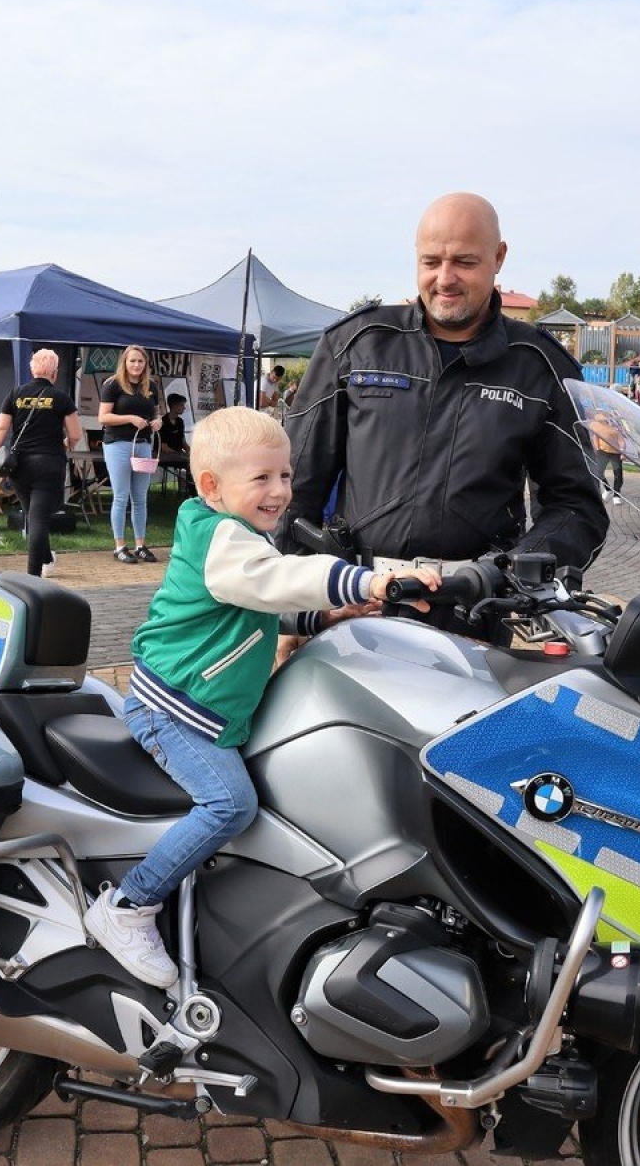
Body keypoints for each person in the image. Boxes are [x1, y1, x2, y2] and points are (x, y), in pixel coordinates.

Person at [83, 408, 440, 987]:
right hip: (174, 706)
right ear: (211, 486)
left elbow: (257, 602)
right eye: (262, 478)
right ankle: (129, 906)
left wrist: (328, 614)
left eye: (286, 475)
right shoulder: (218, 534)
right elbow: (273, 580)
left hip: (203, 702)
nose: (280, 491)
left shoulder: (237, 535)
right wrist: (363, 580)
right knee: (230, 805)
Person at [283, 192, 608, 643]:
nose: (445, 278)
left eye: (465, 262)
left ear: (498, 257)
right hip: (354, 611)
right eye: (431, 261)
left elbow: (577, 508)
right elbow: (292, 489)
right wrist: (292, 612)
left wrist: (512, 571)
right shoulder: (356, 343)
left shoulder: (540, 366)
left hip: (472, 618)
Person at [0, 347, 83, 578]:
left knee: (32, 514)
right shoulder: (61, 398)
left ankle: (47, 559)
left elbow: (1, 428)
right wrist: (64, 444)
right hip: (49, 464)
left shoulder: (16, 394)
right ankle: (33, 576)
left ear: (32, 369)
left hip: (19, 465)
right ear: (55, 372)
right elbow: (76, 434)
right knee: (38, 519)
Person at [98, 345, 163, 563]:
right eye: (132, 361)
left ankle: (141, 544)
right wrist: (130, 418)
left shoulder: (151, 386)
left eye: (140, 361)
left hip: (143, 444)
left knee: (140, 496)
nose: (136, 365)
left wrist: (158, 422)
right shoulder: (113, 384)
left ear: (146, 364)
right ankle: (119, 546)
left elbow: (155, 412)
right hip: (117, 444)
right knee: (121, 495)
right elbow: (103, 417)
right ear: (124, 363)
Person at [587, 409, 626, 500]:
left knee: (618, 474)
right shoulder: (597, 426)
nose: (599, 417)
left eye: (602, 415)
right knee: (598, 472)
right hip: (602, 451)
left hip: (616, 453)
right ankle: (607, 489)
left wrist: (622, 451)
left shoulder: (615, 427)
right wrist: (597, 449)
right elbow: (595, 437)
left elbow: (621, 441)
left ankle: (616, 494)